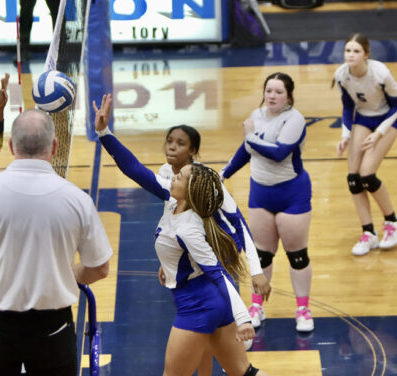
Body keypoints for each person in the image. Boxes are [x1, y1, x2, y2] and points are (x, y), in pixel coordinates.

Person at [94, 95, 268, 376]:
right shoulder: (177, 190)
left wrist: (253, 282)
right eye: (170, 141)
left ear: (194, 152)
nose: (172, 148)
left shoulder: (207, 189)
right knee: (242, 372)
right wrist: (171, 262)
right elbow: (138, 173)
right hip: (207, 284)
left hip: (202, 294)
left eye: (181, 143)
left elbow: (237, 226)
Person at [0, 108, 112, 376]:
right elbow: (99, 268)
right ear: (54, 146)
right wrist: (67, 274)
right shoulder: (78, 200)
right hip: (52, 328)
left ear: (11, 146)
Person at [221, 72, 315, 332]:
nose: (272, 96)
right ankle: (256, 306)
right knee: (261, 254)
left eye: (278, 92)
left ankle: (303, 309)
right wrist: (224, 173)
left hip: (292, 193)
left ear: (289, 96)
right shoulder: (257, 115)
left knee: (297, 255)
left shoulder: (294, 119)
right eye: (269, 90)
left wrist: (251, 136)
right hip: (260, 193)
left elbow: (279, 153)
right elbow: (247, 150)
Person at [333, 33, 397, 256]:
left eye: (355, 51)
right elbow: (347, 108)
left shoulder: (381, 73)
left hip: (387, 119)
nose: (350, 55)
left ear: (366, 54)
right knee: (353, 180)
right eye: (347, 50)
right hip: (363, 118)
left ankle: (393, 222)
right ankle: (369, 233)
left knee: (367, 175)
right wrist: (346, 135)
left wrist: (379, 133)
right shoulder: (341, 75)